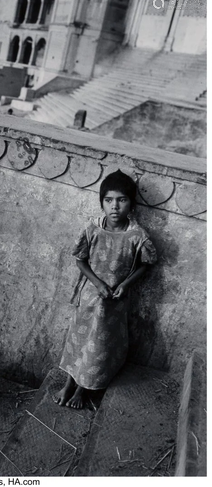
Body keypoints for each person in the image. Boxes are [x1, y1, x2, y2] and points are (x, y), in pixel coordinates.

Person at [54, 170, 157, 409]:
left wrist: (124, 285)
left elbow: (146, 264)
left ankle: (82, 389)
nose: (115, 206)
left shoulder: (137, 236)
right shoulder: (93, 229)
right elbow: (80, 260)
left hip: (114, 303)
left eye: (122, 200)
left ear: (131, 204)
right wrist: (98, 283)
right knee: (78, 341)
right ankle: (68, 383)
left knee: (98, 347)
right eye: (109, 200)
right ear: (102, 202)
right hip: (89, 298)